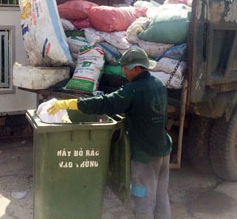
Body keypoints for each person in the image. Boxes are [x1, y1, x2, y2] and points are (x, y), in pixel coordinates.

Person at [48, 47, 172, 219]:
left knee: (142, 202)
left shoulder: (134, 90)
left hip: (145, 157)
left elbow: (106, 103)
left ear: (137, 68)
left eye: (125, 67)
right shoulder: (158, 85)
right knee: (161, 199)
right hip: (163, 150)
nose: (123, 71)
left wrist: (70, 104)